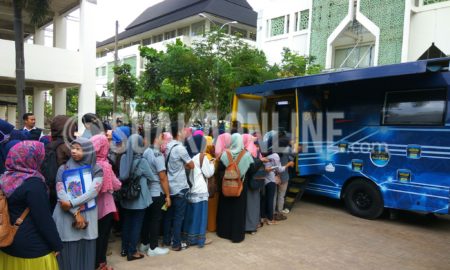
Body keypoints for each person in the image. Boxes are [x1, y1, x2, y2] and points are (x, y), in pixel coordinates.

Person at [0, 141, 62, 270]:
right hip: (33, 249)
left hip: (7, 242)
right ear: (32, 159)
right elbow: (43, 220)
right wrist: (56, 244)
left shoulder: (5, 178)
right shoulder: (34, 184)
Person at [53, 137, 104, 270]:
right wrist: (75, 212)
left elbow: (93, 191)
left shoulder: (96, 169)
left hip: (87, 215)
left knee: (86, 247)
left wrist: (71, 203)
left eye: (78, 149)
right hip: (66, 216)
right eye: (73, 148)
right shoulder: (63, 168)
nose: (74, 151)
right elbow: (61, 193)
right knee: (69, 251)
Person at [119, 134, 153, 261]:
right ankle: (132, 251)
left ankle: (124, 249)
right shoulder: (142, 161)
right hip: (138, 198)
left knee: (127, 223)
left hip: (126, 197)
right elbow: (151, 177)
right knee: (136, 225)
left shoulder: (123, 158)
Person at [216, 133, 255, 243]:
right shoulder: (246, 155)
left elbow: (219, 169)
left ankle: (223, 232)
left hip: (227, 187)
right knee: (238, 211)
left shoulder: (225, 154)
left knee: (225, 209)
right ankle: (236, 235)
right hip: (240, 188)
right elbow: (252, 171)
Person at [91, 134, 122, 270]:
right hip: (105, 206)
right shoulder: (105, 165)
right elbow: (116, 185)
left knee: (93, 236)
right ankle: (101, 264)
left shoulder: (87, 163)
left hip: (90, 206)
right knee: (103, 236)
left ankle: (91, 262)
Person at [139, 128, 171, 256]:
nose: (162, 140)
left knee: (147, 218)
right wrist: (168, 195)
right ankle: (153, 247)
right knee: (155, 219)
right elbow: (162, 177)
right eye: (161, 137)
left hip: (147, 191)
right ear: (156, 138)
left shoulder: (146, 151)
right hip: (156, 191)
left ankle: (145, 243)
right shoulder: (157, 154)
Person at [163, 122, 194, 251]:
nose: (185, 133)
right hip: (180, 186)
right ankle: (176, 243)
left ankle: (166, 240)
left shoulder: (167, 146)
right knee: (178, 217)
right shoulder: (180, 148)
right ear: (178, 133)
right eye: (183, 131)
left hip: (169, 186)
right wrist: (183, 165)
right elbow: (191, 165)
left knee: (169, 215)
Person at [182, 134, 215, 247]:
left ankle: (188, 237)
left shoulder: (187, 156)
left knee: (191, 215)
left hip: (190, 189)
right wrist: (212, 164)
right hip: (200, 190)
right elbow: (209, 173)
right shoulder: (202, 157)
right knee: (200, 215)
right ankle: (199, 239)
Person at [261, 137, 294, 225]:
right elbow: (280, 169)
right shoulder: (276, 155)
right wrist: (288, 164)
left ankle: (263, 218)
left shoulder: (266, 151)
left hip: (264, 179)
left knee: (266, 199)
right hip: (271, 179)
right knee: (273, 198)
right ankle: (270, 219)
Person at [243, 134, 265, 234]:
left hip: (247, 182)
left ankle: (248, 226)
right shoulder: (255, 150)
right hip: (254, 181)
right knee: (254, 204)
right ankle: (252, 226)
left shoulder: (244, 151)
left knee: (249, 205)